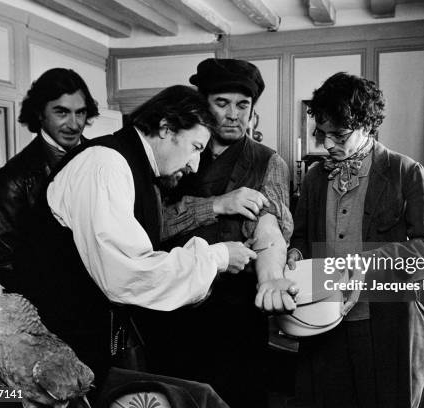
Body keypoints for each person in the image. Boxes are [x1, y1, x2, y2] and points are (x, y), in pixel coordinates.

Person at [13, 85, 257, 389]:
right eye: (195, 148)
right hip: (63, 342)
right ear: (166, 128)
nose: (194, 166)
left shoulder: (133, 165)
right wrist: (218, 256)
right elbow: (128, 271)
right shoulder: (104, 164)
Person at [288, 72, 424, 408]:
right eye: (322, 134)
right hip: (322, 320)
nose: (328, 145)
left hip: (384, 322)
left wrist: (365, 263)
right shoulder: (315, 178)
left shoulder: (405, 172)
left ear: (366, 125)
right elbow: (303, 237)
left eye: (338, 135)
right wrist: (294, 252)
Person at [139, 58, 297, 408]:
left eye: (243, 105)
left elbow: (269, 224)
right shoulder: (174, 149)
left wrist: (271, 276)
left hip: (236, 315)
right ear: (202, 104)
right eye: (221, 103)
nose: (233, 114)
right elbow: (151, 224)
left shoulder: (267, 162)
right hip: (172, 308)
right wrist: (216, 205)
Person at [0, 68, 98, 292]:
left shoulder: (102, 157)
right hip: (54, 313)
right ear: (39, 113)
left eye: (81, 113)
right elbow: (1, 262)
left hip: (109, 304)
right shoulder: (14, 176)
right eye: (62, 112)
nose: (74, 124)